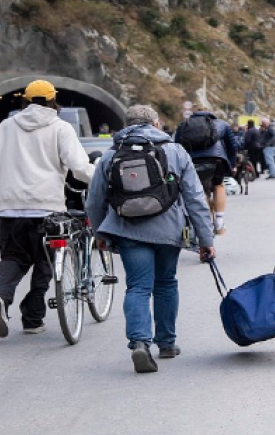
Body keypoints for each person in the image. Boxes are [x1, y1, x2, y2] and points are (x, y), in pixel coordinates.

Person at [86, 105, 215, 373]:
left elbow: (95, 200)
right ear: (156, 124)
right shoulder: (175, 151)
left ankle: (140, 343)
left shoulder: (111, 156)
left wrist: (100, 233)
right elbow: (195, 198)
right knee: (166, 283)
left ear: (126, 125)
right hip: (168, 230)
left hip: (128, 229)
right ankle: (166, 343)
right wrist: (205, 238)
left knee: (137, 287)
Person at [0, 79, 95, 338]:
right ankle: (33, 319)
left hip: (11, 209)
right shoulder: (60, 127)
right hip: (47, 208)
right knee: (47, 263)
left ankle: (0, 296)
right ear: (52, 100)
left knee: (13, 257)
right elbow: (78, 167)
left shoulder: (5, 127)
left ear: (25, 100)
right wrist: (100, 179)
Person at [174, 107, 239, 235]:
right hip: (217, 160)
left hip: (192, 161)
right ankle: (219, 223)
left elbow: (176, 146)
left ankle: (203, 223)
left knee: (198, 191)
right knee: (218, 186)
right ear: (210, 112)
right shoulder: (222, 124)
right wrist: (232, 165)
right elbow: (233, 146)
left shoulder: (184, 125)